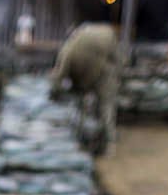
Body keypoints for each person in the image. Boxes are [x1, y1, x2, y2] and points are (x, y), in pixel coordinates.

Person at [51, 22, 120, 155]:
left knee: (104, 109)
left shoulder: (67, 52)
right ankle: (105, 142)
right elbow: (116, 59)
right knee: (106, 108)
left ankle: (106, 142)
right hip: (102, 72)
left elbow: (58, 77)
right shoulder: (99, 35)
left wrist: (54, 92)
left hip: (101, 75)